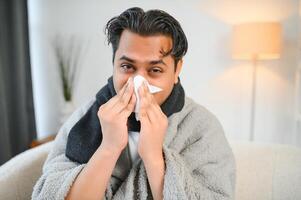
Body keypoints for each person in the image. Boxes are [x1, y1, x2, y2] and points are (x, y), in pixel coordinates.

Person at [32, 7, 236, 200]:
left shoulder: (202, 127)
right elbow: (54, 192)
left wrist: (154, 157)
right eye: (127, 66)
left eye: (155, 70)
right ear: (113, 65)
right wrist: (109, 148)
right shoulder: (86, 117)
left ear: (177, 70)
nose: (139, 83)